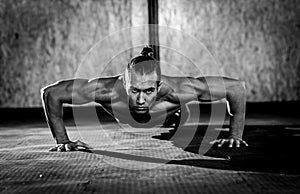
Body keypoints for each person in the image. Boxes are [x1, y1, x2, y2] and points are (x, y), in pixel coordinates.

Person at [41, 46, 248, 152]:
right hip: (126, 115)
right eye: (134, 91)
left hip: (167, 114)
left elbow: (235, 88)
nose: (140, 99)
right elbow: (51, 93)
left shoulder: (180, 90)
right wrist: (63, 141)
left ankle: (175, 117)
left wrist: (235, 135)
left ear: (158, 86)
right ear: (124, 84)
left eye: (148, 91)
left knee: (174, 118)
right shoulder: (106, 91)